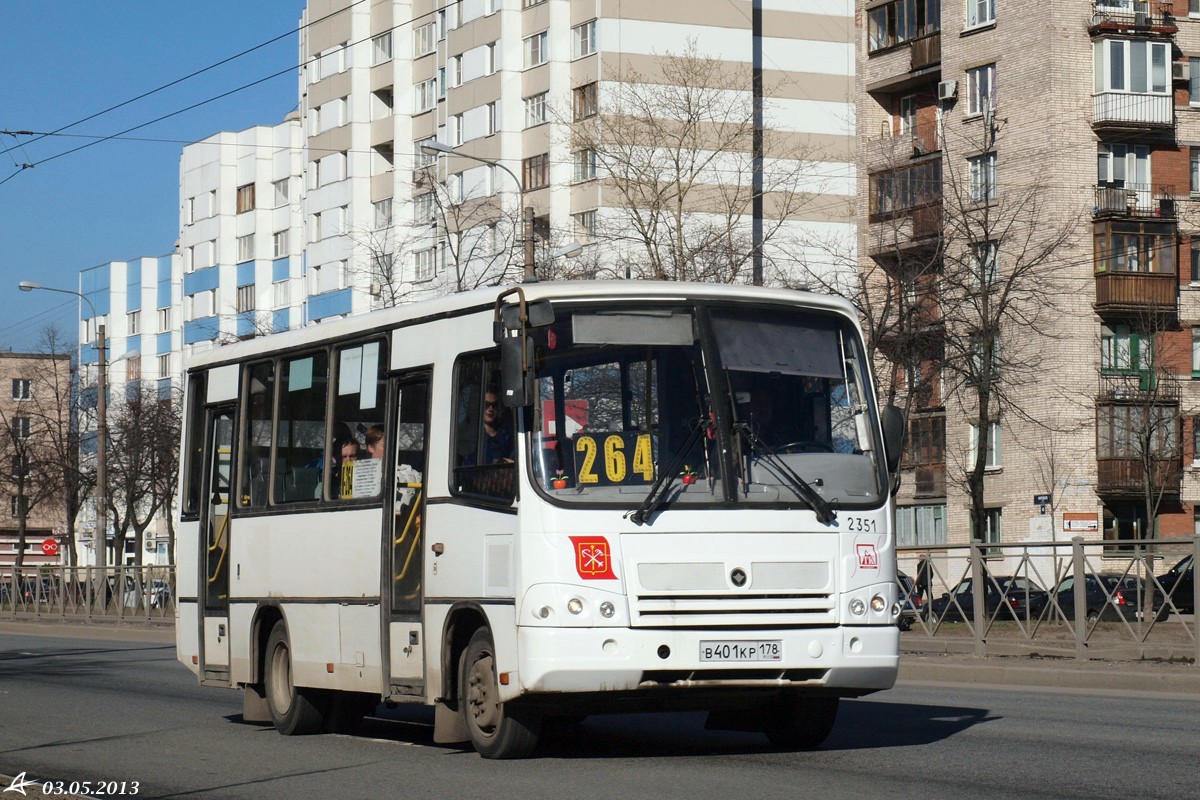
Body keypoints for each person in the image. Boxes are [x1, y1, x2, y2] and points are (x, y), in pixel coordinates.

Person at [481, 389, 514, 463]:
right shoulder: (472, 439)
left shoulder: (508, 437)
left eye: (494, 405)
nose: (490, 409)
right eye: (486, 404)